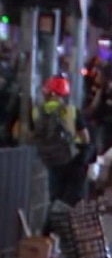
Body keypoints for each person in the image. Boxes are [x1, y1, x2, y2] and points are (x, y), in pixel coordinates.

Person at [32, 75, 91, 206]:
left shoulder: (37, 111)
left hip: (49, 159)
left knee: (55, 195)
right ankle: (66, 221)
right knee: (72, 198)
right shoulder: (71, 111)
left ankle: (54, 220)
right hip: (71, 158)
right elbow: (85, 138)